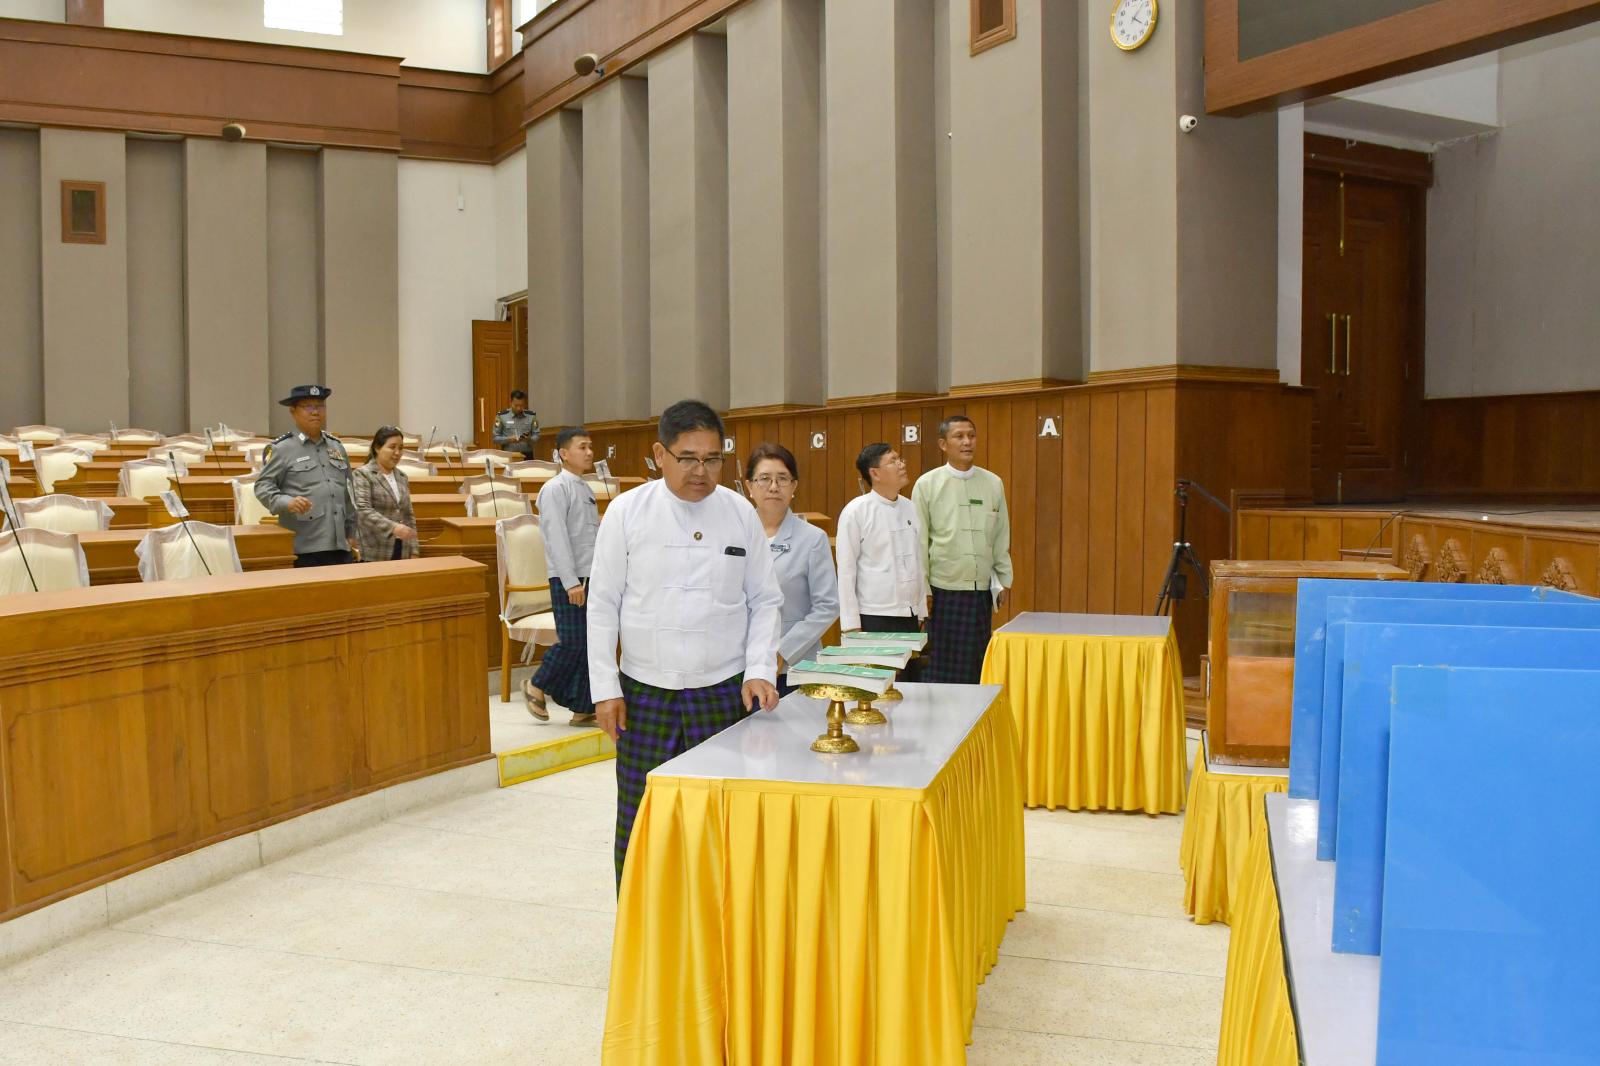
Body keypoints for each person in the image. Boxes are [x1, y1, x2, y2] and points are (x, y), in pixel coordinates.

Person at [588, 399, 783, 884]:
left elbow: (765, 599)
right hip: (644, 693)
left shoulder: (739, 513)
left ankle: (719, 924)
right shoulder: (626, 512)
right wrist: (605, 688)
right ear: (660, 454)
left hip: (723, 690)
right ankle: (642, 925)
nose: (701, 471)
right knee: (643, 823)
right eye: (688, 458)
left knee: (721, 822)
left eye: (713, 459)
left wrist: (759, 669)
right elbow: (603, 604)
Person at [913, 415, 1013, 684]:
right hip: (943, 591)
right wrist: (924, 589)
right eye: (959, 436)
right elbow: (919, 542)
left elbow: (1001, 533)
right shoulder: (927, 484)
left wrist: (1004, 578)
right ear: (943, 444)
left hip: (980, 591)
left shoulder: (993, 482)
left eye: (971, 435)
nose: (967, 442)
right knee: (939, 668)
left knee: (976, 667)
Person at [522, 426, 600, 726]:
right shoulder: (555, 489)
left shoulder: (584, 487)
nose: (589, 452)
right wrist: (570, 582)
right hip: (570, 579)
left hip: (588, 575)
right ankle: (536, 684)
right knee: (573, 642)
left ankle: (583, 708)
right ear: (563, 454)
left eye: (590, 446)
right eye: (582, 447)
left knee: (588, 643)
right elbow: (556, 539)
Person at [746, 443, 838, 695]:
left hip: (793, 666)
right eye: (764, 478)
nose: (774, 487)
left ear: (794, 486)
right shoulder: (734, 535)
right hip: (741, 663)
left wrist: (782, 652)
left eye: (782, 479)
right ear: (749, 486)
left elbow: (827, 606)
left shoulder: (812, 538)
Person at [255, 385, 358, 567]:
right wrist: (287, 502)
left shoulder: (336, 447)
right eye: (308, 406)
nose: (315, 412)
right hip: (304, 547)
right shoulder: (282, 448)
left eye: (320, 406)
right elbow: (263, 486)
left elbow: (348, 492)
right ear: (293, 411)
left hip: (341, 545)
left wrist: (351, 531)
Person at [836, 442, 927, 637]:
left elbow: (918, 562)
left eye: (900, 459)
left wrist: (921, 610)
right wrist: (851, 625)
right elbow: (846, 572)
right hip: (873, 615)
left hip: (909, 613)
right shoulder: (855, 511)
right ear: (875, 473)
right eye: (893, 461)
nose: (902, 464)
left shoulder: (910, 507)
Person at [350, 425, 419, 562]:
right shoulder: (362, 474)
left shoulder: (402, 477)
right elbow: (363, 510)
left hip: (402, 550)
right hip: (374, 551)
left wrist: (414, 549)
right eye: (392, 447)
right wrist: (393, 528)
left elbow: (408, 515)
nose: (397, 452)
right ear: (377, 448)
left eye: (400, 448)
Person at [492, 390, 540, 459]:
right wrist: (509, 439)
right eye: (516, 405)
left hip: (527, 455)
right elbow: (495, 438)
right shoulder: (502, 416)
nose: (519, 408)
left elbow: (537, 435)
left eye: (521, 405)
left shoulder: (531, 416)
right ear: (511, 402)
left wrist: (529, 439)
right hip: (509, 455)